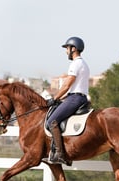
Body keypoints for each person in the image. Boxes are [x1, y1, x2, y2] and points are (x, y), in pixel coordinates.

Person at [43, 36, 90, 165]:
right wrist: (62, 98)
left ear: (73, 49)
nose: (66, 51)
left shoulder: (75, 64)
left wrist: (55, 98)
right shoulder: (84, 63)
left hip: (75, 98)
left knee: (52, 121)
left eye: (67, 48)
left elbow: (67, 84)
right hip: (78, 97)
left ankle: (60, 155)